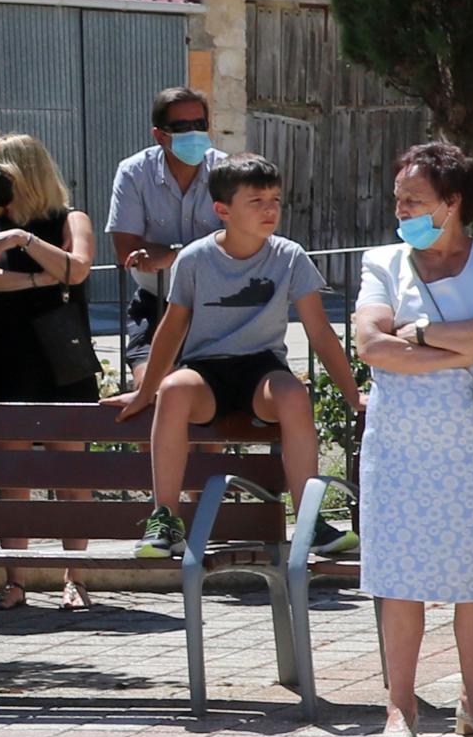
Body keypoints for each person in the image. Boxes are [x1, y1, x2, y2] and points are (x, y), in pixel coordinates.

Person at [352, 140, 473, 737]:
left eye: (415, 199)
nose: (401, 209)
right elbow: (372, 347)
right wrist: (461, 348)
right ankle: (399, 706)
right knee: (401, 576)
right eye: (399, 198)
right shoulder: (383, 262)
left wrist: (423, 332)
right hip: (403, 443)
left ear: (452, 203)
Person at [107, 155, 363, 564]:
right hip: (206, 371)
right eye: (256, 200)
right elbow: (171, 329)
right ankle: (165, 519)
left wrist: (352, 395)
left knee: (294, 394)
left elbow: (320, 332)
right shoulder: (194, 257)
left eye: (276, 199)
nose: (270, 209)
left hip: (262, 367)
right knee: (173, 390)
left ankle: (312, 522)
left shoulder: (289, 255)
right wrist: (145, 392)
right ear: (222, 210)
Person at [0, 134, 105, 609]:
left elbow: (78, 268)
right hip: (3, 356)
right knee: (12, 472)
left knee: (71, 472)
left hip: (59, 358)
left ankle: (76, 579)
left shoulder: (70, 219)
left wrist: (25, 241)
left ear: (23, 172)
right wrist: (42, 277)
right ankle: (15, 581)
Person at [105, 85, 224, 354]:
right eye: (182, 127)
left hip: (219, 306)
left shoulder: (227, 172)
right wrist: (208, 249)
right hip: (156, 303)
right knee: (147, 385)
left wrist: (173, 255)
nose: (193, 133)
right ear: (159, 135)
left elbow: (242, 244)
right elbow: (127, 250)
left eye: (199, 124)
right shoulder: (134, 172)